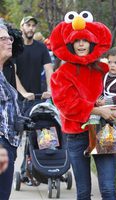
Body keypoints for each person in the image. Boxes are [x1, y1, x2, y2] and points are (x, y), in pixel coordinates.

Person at [50, 11, 116, 200]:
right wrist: (98, 109)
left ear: (92, 43)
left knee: (107, 188)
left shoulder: (106, 69)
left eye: (85, 40)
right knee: (83, 192)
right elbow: (66, 103)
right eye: (77, 41)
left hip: (105, 129)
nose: (81, 44)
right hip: (76, 134)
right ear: (71, 44)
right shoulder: (62, 73)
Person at [15, 16, 53, 182]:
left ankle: (37, 169)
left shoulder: (41, 48)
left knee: (41, 135)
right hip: (19, 100)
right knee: (15, 139)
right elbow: (13, 73)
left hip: (38, 99)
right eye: (27, 25)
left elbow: (49, 70)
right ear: (21, 26)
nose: (31, 28)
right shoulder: (16, 48)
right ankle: (17, 168)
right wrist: (23, 92)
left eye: (33, 26)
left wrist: (50, 90)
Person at [0, 20, 23, 200]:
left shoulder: (4, 70)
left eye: (9, 38)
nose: (9, 41)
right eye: (3, 39)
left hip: (9, 143)